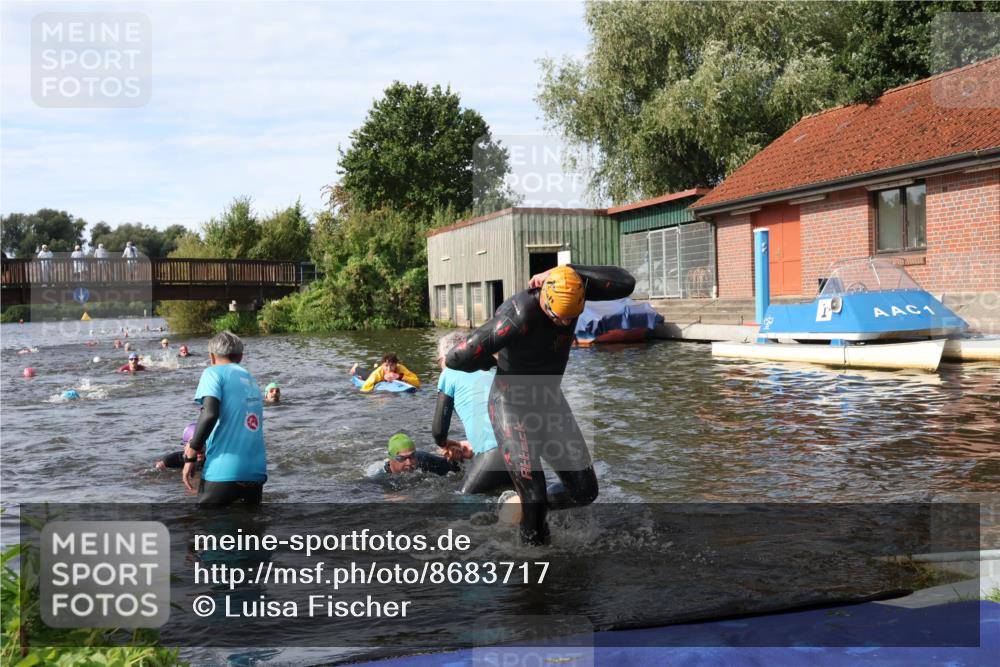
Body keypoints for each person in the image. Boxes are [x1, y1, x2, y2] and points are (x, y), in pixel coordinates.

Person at [446, 264, 635, 545]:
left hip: (549, 403)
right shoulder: (517, 315)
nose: (562, 323)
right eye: (557, 316)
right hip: (511, 405)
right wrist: (494, 360)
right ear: (544, 298)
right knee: (534, 495)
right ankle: (535, 566)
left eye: (570, 318)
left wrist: (568, 269)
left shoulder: (572, 285)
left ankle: (521, 507)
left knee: (584, 492)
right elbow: (455, 358)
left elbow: (625, 283)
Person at [181, 331, 266, 506]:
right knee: (250, 529)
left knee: (206, 528)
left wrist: (191, 452)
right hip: (256, 470)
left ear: (211, 356)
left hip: (224, 469)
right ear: (240, 357)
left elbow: (210, 413)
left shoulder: (213, 373)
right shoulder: (250, 379)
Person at [432, 332, 511, 496]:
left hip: (494, 454)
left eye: (440, 360)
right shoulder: (497, 368)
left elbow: (439, 432)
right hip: (526, 449)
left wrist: (446, 444)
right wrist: (474, 447)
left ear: (449, 357)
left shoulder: (449, 372)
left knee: (462, 503)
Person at [381, 432, 457, 476]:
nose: (409, 462)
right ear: (391, 459)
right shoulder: (380, 480)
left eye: (412, 456)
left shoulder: (424, 460)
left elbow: (456, 467)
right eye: (402, 458)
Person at [356, 352, 421, 392]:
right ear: (382, 365)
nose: (389, 369)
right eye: (386, 366)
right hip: (373, 372)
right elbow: (364, 388)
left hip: (380, 368)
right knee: (364, 374)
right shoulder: (377, 374)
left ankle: (375, 366)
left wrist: (399, 376)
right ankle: (355, 367)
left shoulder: (401, 368)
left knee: (376, 368)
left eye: (392, 365)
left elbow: (417, 382)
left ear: (396, 364)